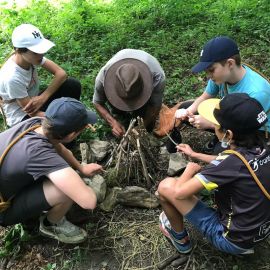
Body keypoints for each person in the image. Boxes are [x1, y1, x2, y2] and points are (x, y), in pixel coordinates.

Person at [157, 93, 270, 255]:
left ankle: (181, 240)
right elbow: (233, 163)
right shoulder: (261, 146)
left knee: (165, 187)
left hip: (235, 241)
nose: (212, 126)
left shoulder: (228, 164)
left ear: (228, 135)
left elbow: (179, 193)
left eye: (215, 124)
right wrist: (196, 155)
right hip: (261, 230)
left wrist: (190, 169)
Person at [0, 97, 103, 244]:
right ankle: (51, 224)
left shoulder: (35, 123)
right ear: (71, 135)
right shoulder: (39, 153)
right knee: (65, 192)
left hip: (6, 184)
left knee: (66, 178)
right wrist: (78, 182)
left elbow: (59, 148)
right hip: (3, 210)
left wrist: (81, 168)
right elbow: (89, 202)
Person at [174, 36, 270, 152]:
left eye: (211, 70)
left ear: (230, 63)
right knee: (185, 107)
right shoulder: (222, 77)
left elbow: (242, 128)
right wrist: (188, 111)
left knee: (219, 152)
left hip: (256, 131)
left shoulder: (256, 92)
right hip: (231, 118)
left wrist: (211, 124)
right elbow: (205, 96)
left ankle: (219, 139)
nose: (208, 76)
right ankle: (219, 136)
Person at [0, 23, 81, 127]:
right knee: (58, 126)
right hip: (22, 117)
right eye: (36, 52)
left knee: (71, 84)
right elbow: (32, 113)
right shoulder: (12, 77)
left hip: (36, 103)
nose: (41, 54)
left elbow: (61, 74)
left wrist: (43, 97)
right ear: (19, 50)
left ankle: (69, 122)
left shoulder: (32, 58)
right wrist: (64, 118)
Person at [93, 49, 165, 137]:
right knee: (118, 115)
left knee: (146, 120)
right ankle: (120, 115)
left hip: (148, 73)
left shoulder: (156, 76)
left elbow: (155, 106)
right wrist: (113, 123)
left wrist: (141, 127)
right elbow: (97, 102)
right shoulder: (103, 77)